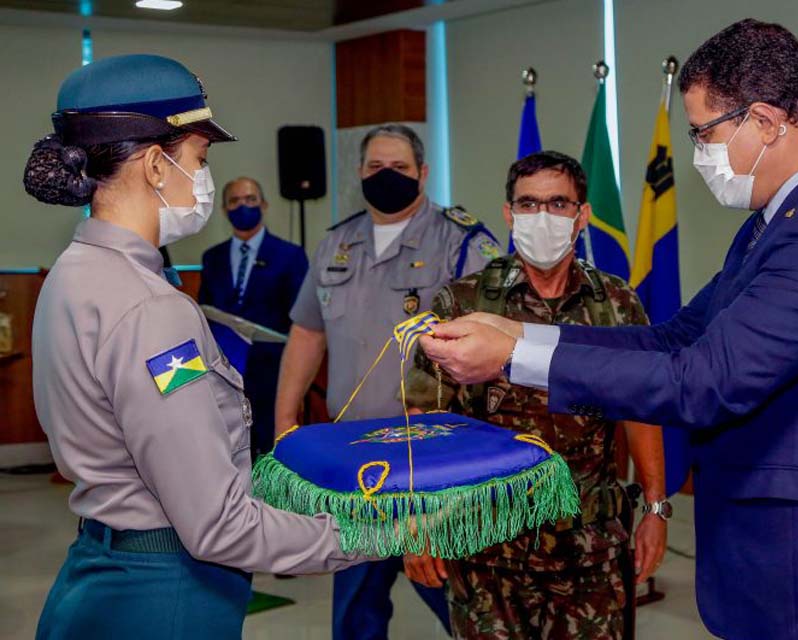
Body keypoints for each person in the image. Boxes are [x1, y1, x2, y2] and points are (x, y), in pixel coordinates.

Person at [420, 19, 798, 640]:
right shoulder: (779, 220)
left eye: (704, 133)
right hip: (780, 554)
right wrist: (520, 335)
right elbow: (675, 338)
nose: (698, 156)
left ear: (765, 122)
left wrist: (511, 361)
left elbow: (704, 381)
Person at [25, 54, 366, 639]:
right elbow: (218, 526)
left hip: (99, 571)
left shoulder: (72, 272)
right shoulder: (152, 309)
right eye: (200, 159)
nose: (204, 179)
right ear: (158, 165)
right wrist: (370, 537)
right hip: (168, 591)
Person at [401, 151, 666, 639]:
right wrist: (420, 518)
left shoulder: (616, 303)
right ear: (508, 213)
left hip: (590, 550)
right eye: (528, 204)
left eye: (558, 203)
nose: (542, 216)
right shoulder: (464, 302)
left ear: (582, 214)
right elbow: (425, 418)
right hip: (485, 546)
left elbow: (642, 410)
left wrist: (654, 508)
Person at [275, 123, 500, 639]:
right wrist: (286, 419)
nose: (386, 176)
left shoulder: (462, 242)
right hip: (354, 460)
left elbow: (492, 341)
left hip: (432, 459)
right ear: (359, 173)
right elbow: (308, 333)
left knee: (458, 599)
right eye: (375, 167)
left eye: (399, 167)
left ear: (423, 173)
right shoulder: (337, 242)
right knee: (355, 608)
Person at [199, 176, 308, 460]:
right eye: (234, 201)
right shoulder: (212, 257)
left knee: (273, 451)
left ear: (264, 205)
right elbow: (204, 311)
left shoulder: (290, 255)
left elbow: (303, 319)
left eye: (250, 200)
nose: (243, 206)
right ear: (224, 210)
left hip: (273, 372)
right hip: (225, 371)